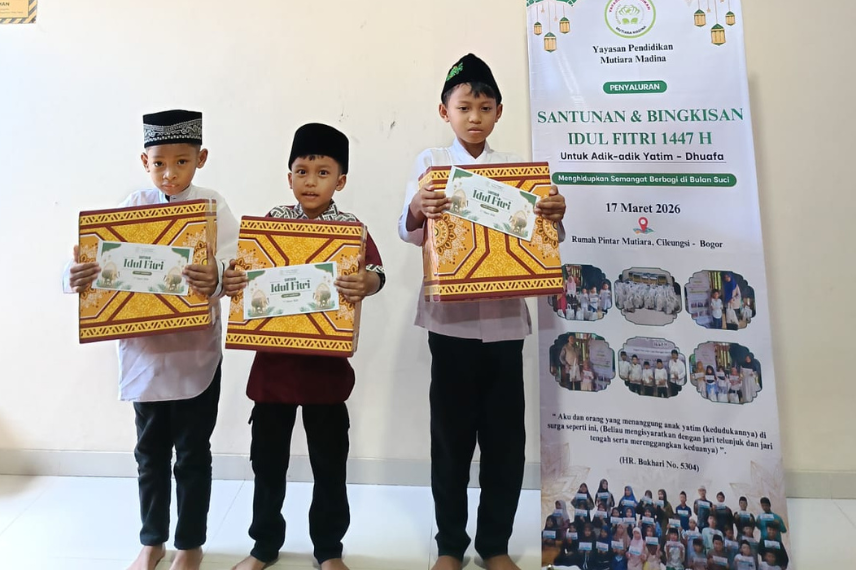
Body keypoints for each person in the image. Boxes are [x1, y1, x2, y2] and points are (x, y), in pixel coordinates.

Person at [398, 53, 566, 570]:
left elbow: (543, 240)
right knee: (450, 442)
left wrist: (554, 214)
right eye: (464, 107)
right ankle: (450, 545)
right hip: (449, 327)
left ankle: (494, 545)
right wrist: (419, 206)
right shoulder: (431, 164)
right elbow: (408, 228)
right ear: (444, 111)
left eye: (485, 107)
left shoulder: (517, 170)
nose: (474, 117)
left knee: (505, 443)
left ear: (498, 113)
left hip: (505, 327)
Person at [64, 110, 239, 570]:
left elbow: (237, 266)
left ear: (201, 158)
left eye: (182, 161)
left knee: (193, 453)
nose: (170, 173)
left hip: (196, 356)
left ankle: (191, 544)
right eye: (159, 162)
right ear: (145, 161)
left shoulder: (213, 206)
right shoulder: (131, 206)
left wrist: (217, 274)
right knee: (149, 453)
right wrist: (75, 274)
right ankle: (152, 540)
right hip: (145, 355)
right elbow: (96, 258)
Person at [227, 124, 386, 570]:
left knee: (330, 467)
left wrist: (367, 281)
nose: (310, 181)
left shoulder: (351, 229)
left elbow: (377, 272)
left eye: (322, 172)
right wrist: (235, 278)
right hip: (273, 373)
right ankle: (263, 547)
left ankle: (329, 549)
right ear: (289, 176)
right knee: (267, 466)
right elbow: (244, 272)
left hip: (326, 374)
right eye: (301, 171)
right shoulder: (271, 224)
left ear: (341, 180)